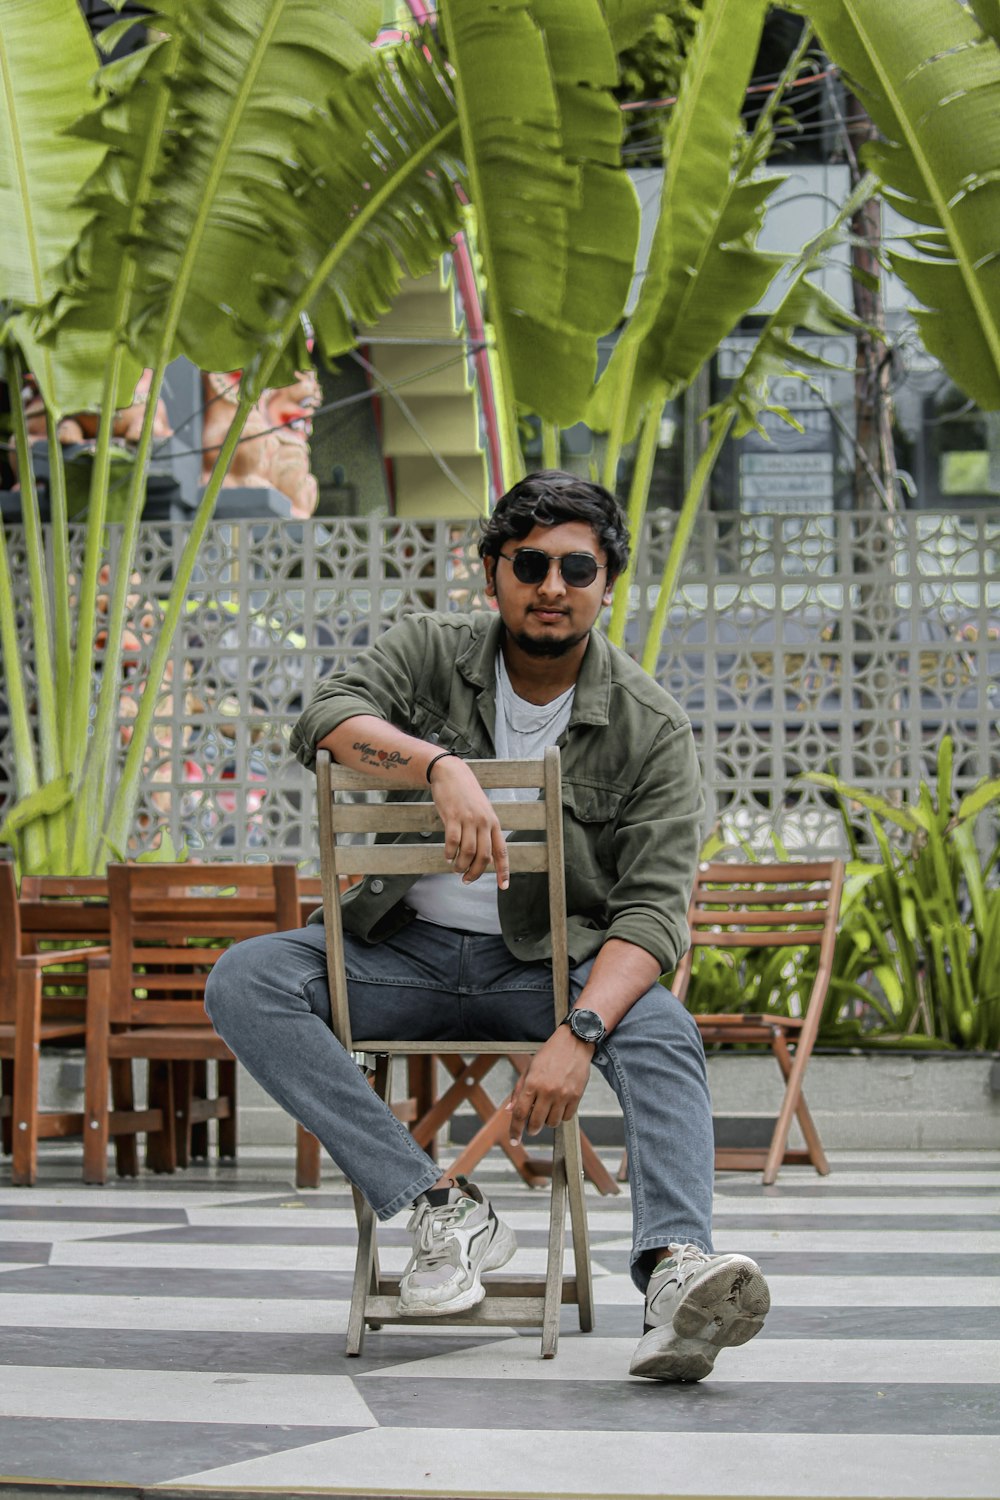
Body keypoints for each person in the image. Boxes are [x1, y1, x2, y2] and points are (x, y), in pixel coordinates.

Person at [205, 470, 770, 1382]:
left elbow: (654, 914)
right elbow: (323, 718)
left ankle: (673, 1273)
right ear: (493, 573)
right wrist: (440, 768)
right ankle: (436, 1202)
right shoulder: (429, 651)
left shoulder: (650, 726)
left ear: (607, 584)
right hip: (399, 951)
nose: (553, 585)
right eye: (532, 562)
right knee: (246, 978)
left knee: (661, 1025)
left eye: (577, 567)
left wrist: (579, 1032)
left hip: (543, 976)